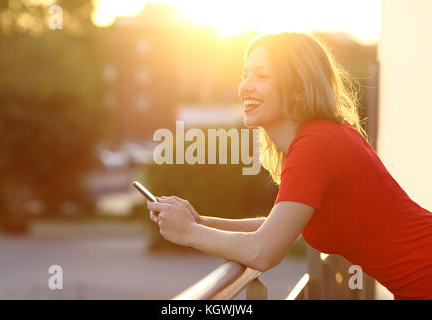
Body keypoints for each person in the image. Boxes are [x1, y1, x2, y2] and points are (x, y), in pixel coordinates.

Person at [147, 32, 432, 300]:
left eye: (261, 76)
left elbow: (263, 251)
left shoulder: (316, 145)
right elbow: (278, 227)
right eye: (245, 74)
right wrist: (201, 222)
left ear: (298, 89)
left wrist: (187, 233)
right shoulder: (321, 137)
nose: (245, 86)